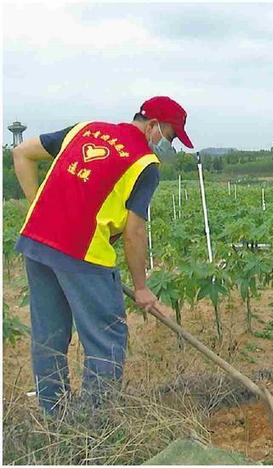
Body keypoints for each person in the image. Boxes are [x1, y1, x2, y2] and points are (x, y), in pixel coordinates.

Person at [12, 96, 193, 414]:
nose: (169, 143)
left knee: (49, 337)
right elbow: (135, 232)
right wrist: (141, 287)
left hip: (36, 240)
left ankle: (55, 419)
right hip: (81, 251)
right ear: (152, 126)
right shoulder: (143, 164)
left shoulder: (85, 129)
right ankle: (96, 423)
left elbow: (22, 153)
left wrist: (37, 205)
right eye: (171, 136)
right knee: (106, 338)